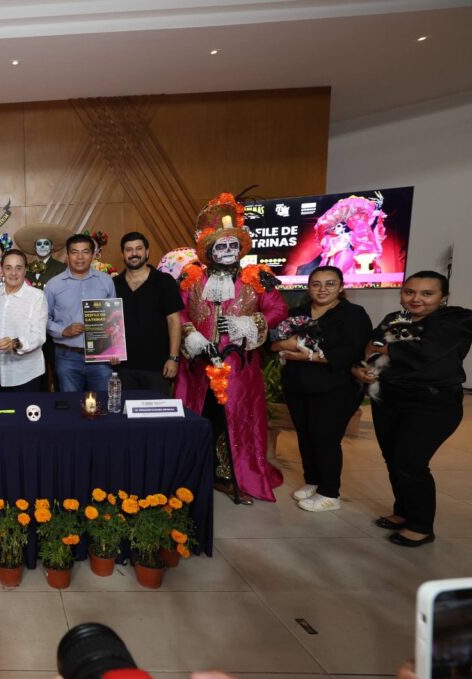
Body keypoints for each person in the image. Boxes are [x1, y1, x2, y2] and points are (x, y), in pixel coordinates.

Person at [174, 192, 288, 504]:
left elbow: (278, 310)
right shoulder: (192, 278)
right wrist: (191, 336)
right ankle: (197, 472)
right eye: (220, 246)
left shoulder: (257, 278)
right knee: (200, 417)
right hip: (197, 367)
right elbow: (179, 312)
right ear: (209, 250)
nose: (227, 251)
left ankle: (230, 475)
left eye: (232, 246)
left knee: (234, 420)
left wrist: (247, 324)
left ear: (240, 248)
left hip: (238, 367)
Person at [352, 271, 472, 546]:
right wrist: (363, 366)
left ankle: (421, 525)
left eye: (427, 294)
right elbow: (371, 346)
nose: (416, 299)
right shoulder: (395, 318)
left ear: (443, 297)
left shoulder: (456, 320)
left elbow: (425, 353)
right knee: (393, 459)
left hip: (432, 404)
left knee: (410, 462)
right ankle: (404, 511)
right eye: (409, 292)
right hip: (389, 399)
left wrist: (385, 350)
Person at [271, 266, 371, 512]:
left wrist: (309, 357)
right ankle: (313, 481)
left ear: (341, 286)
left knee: (325, 438)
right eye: (316, 284)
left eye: (330, 283)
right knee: (305, 435)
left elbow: (353, 351)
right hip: (297, 384)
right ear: (309, 287)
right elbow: (272, 343)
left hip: (334, 386)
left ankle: (329, 493)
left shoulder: (353, 314)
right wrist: (287, 344)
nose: (322, 289)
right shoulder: (297, 313)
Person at [45, 234, 118, 393]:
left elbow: (114, 318)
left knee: (103, 402)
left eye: (85, 252)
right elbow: (44, 319)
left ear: (93, 255)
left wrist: (116, 350)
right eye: (74, 252)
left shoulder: (106, 281)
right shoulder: (53, 285)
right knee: (70, 404)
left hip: (101, 357)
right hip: (67, 357)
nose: (80, 257)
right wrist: (63, 331)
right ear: (67, 255)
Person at [113, 231, 184, 393]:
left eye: (139, 248)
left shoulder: (164, 281)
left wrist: (173, 357)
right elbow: (109, 321)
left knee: (158, 409)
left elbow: (174, 321)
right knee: (124, 409)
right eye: (129, 250)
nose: (134, 253)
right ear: (122, 254)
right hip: (123, 367)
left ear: (147, 252)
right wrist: (110, 351)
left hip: (158, 367)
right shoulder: (113, 284)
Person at [0, 250, 48, 391]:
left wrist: (14, 343)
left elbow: (38, 336)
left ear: (25, 270)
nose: (13, 273)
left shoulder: (37, 296)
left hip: (26, 374)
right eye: (8, 268)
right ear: (2, 270)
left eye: (18, 268)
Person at [15, 223, 68, 289]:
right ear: (35, 247)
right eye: (39, 244)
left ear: (51, 246)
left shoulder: (61, 268)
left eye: (46, 243)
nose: (42, 246)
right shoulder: (26, 269)